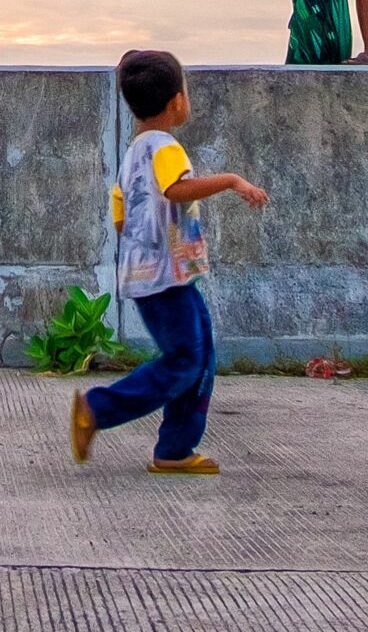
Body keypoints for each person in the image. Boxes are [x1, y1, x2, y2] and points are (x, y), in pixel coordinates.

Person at [70, 51, 267, 475]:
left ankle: (175, 449)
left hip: (156, 276)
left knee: (199, 357)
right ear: (176, 101)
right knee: (184, 360)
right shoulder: (166, 147)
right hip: (167, 278)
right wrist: (233, 181)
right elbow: (176, 189)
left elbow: (120, 213)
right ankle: (97, 409)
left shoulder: (135, 150)